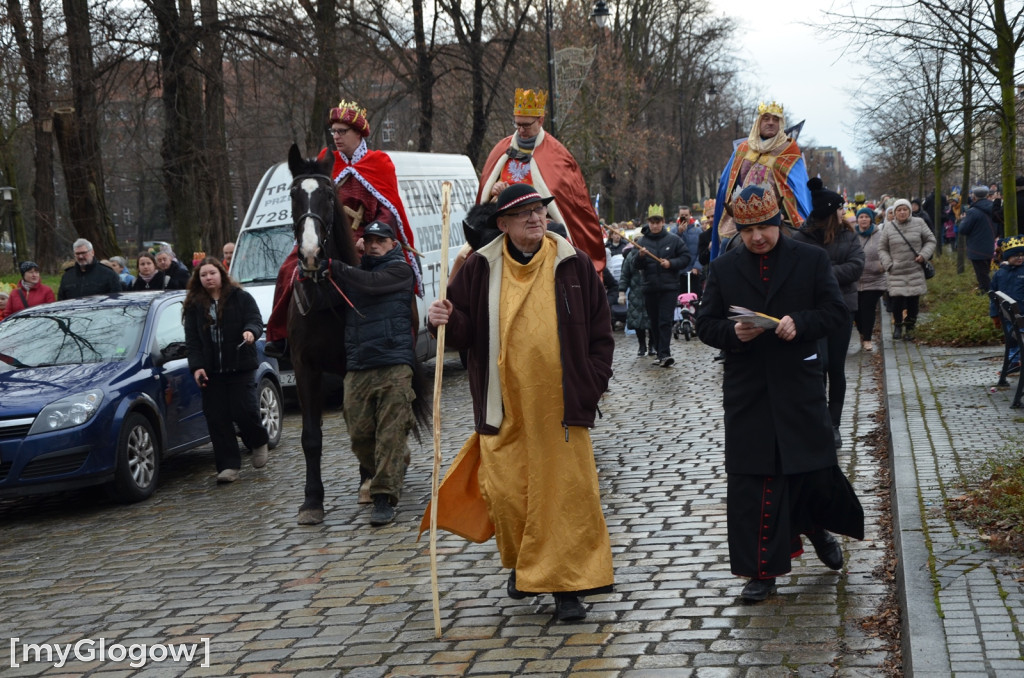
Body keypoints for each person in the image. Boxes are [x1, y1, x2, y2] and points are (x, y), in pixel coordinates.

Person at [424, 183, 614, 623]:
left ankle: (568, 589)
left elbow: (601, 333)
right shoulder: (479, 267)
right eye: (524, 214)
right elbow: (463, 328)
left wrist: (591, 384)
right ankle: (524, 564)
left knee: (563, 497)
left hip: (562, 409)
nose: (535, 219)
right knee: (508, 496)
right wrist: (443, 322)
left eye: (539, 211)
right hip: (502, 405)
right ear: (503, 224)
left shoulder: (572, 263)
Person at [696, 183, 864, 603]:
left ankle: (816, 526)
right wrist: (733, 332)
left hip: (798, 384)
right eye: (748, 230)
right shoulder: (724, 267)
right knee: (754, 478)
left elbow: (835, 312)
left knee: (808, 470)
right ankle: (761, 573)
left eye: (764, 228)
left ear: (779, 223)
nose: (757, 238)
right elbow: (705, 324)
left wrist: (800, 323)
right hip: (748, 389)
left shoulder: (810, 259)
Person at [265, 100, 419, 357]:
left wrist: (372, 239)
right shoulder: (328, 162)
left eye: (341, 131)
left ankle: (404, 337)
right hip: (328, 237)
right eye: (333, 131)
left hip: (370, 237)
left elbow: (389, 209)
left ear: (358, 133)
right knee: (288, 269)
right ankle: (280, 334)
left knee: (389, 277)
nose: (335, 137)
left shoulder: (379, 163)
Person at [322, 220, 421, 526]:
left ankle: (384, 497)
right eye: (370, 239)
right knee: (358, 434)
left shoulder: (401, 271)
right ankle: (389, 468)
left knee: (390, 433)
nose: (375, 244)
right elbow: (333, 300)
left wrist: (334, 266)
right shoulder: (355, 274)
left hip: (394, 365)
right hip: (359, 366)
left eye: (381, 240)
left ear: (393, 245)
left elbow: (372, 284)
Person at [476, 88, 605, 273]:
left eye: (526, 125)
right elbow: (485, 191)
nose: (521, 130)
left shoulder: (557, 154)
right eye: (517, 124)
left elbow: (570, 201)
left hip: (539, 221)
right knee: (466, 256)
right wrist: (493, 190)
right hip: (504, 221)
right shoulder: (501, 149)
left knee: (563, 254)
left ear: (540, 121)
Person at [183, 257, 269, 484]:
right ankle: (228, 465)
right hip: (212, 371)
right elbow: (192, 341)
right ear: (198, 279)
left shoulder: (240, 298)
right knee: (217, 417)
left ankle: (258, 440)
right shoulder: (194, 305)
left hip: (240, 365)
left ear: (221, 274)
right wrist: (197, 366)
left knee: (245, 411)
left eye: (212, 273)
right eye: (203, 275)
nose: (208, 278)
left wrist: (251, 332)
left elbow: (255, 320)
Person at [793, 179, 865, 449]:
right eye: (840, 209)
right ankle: (817, 419)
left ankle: (833, 424)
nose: (843, 212)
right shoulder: (802, 237)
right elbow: (798, 273)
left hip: (842, 309)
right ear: (830, 211)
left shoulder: (849, 235)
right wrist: (825, 275)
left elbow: (856, 266)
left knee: (836, 367)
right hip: (812, 312)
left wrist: (822, 274)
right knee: (817, 366)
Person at [711, 101, 812, 259]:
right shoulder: (743, 149)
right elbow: (728, 185)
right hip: (744, 213)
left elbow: (798, 190)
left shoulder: (789, 150)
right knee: (726, 245)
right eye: (766, 118)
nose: (771, 122)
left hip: (776, 214)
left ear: (781, 123)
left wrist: (784, 212)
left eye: (775, 119)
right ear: (759, 122)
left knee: (800, 247)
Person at [636, 204, 691, 367]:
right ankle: (659, 352)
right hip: (650, 287)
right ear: (648, 222)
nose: (655, 225)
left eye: (658, 222)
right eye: (652, 222)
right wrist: (640, 256)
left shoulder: (673, 240)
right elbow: (635, 265)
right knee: (654, 321)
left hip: (669, 287)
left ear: (663, 222)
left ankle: (665, 353)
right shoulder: (642, 242)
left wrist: (671, 263)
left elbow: (685, 257)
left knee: (664, 320)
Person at [878, 199, 937, 340]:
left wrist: (924, 255)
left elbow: (930, 240)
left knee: (913, 302)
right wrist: (888, 264)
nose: (902, 212)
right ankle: (898, 325)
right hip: (896, 270)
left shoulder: (919, 223)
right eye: (899, 210)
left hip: (914, 269)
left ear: (910, 211)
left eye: (905, 209)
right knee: (896, 302)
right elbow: (882, 248)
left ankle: (910, 328)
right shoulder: (889, 227)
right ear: (895, 212)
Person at [854, 208, 886, 352]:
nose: (864, 219)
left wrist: (882, 265)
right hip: (854, 280)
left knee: (868, 309)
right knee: (856, 311)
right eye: (861, 217)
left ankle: (867, 339)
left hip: (874, 279)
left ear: (871, 219)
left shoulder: (879, 234)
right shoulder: (851, 235)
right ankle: (862, 333)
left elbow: (886, 251)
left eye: (867, 216)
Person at [990, 236, 1024, 372]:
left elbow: (993, 296)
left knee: (1014, 337)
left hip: (1015, 316)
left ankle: (1013, 361)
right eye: (1016, 255)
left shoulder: (999, 273)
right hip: (1014, 316)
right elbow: (993, 298)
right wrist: (994, 315)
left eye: (1022, 255)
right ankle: (1014, 361)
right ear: (1008, 257)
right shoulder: (1000, 274)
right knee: (1013, 339)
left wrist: (995, 314)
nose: (1020, 258)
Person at [958, 186, 998, 293]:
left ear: (974, 197)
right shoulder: (994, 208)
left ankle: (987, 291)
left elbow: (963, 230)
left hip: (977, 247)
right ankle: (985, 288)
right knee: (985, 270)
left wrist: (963, 219)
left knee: (981, 272)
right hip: (990, 245)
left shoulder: (972, 212)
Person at [57, 238, 123, 300]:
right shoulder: (67, 276)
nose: (80, 256)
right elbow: (61, 301)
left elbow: (116, 300)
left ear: (92, 252)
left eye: (83, 253)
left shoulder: (108, 274)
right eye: (77, 253)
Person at [619, 244, 652, 356]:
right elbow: (624, 275)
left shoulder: (651, 253)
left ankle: (652, 345)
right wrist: (622, 292)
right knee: (637, 321)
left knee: (652, 319)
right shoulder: (630, 256)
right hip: (635, 292)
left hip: (650, 290)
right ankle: (642, 345)